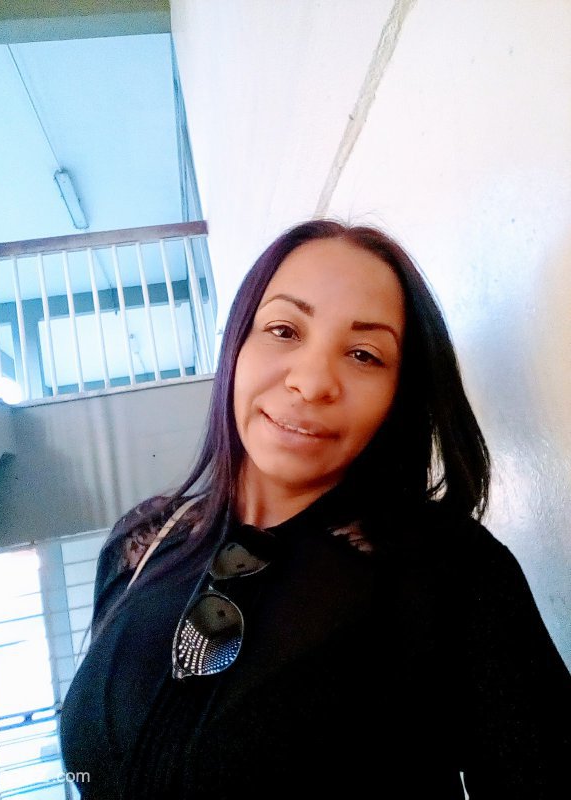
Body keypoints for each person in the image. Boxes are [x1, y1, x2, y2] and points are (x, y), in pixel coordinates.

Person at [60, 220, 570, 799]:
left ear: (399, 395)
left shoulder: (457, 574)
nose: (311, 382)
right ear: (237, 344)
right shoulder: (144, 541)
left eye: (363, 354)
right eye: (283, 330)